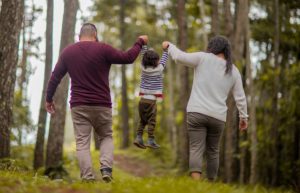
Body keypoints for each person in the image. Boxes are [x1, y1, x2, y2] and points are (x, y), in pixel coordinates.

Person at [45, 23, 148, 182]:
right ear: (95, 35)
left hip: (79, 105)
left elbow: (55, 77)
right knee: (106, 136)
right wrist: (140, 42)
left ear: (79, 36)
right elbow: (128, 58)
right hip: (102, 104)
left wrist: (49, 99)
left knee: (82, 143)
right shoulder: (103, 49)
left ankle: (87, 177)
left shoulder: (68, 52)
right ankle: (106, 169)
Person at [163, 36, 248, 181]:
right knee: (213, 151)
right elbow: (240, 97)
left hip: (197, 112)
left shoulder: (203, 58)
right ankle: (210, 185)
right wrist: (243, 117)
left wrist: (169, 45)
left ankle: (196, 185)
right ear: (226, 51)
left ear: (212, 47)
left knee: (196, 148)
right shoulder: (233, 70)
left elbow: (179, 57)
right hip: (218, 117)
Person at [133, 42, 169, 149]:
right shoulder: (159, 69)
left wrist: (144, 45)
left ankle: (139, 137)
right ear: (156, 61)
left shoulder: (143, 68)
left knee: (142, 120)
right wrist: (165, 50)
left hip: (142, 100)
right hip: (151, 102)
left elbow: (143, 54)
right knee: (151, 121)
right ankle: (150, 140)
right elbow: (164, 59)